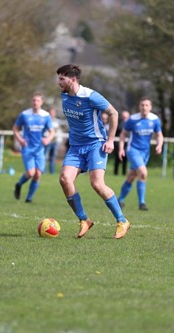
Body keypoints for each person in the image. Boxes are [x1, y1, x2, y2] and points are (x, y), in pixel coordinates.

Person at [56, 64, 130, 239]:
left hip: (95, 144)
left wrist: (111, 140)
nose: (58, 82)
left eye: (62, 79)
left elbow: (113, 113)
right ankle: (84, 220)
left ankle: (122, 220)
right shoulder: (65, 96)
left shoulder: (91, 96)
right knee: (65, 179)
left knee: (97, 184)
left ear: (72, 79)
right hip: (75, 147)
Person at [117, 98, 163, 211]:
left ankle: (120, 200)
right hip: (133, 150)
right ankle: (142, 203)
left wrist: (159, 145)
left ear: (150, 107)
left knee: (132, 176)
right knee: (143, 173)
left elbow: (159, 135)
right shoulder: (132, 119)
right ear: (139, 107)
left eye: (147, 105)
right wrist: (121, 149)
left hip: (145, 152)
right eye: (142, 105)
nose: (144, 107)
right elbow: (123, 135)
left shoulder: (155, 119)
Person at [13, 92, 54, 203]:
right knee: (31, 173)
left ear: (42, 102)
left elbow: (52, 132)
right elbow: (15, 128)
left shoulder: (46, 116)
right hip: (27, 148)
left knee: (37, 175)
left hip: (39, 149)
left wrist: (47, 139)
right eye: (33, 100)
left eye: (38, 100)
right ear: (31, 101)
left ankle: (29, 198)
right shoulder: (24, 114)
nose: (35, 102)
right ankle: (19, 184)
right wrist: (20, 139)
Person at [44, 107, 63, 174]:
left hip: (55, 142)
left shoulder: (57, 121)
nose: (52, 114)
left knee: (53, 157)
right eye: (51, 112)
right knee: (45, 157)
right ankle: (44, 171)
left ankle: (52, 171)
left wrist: (59, 140)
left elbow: (59, 132)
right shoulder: (45, 120)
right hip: (48, 142)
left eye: (53, 112)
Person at [114, 110, 130, 176]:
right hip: (118, 143)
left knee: (125, 158)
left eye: (126, 117)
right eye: (124, 116)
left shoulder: (130, 123)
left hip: (127, 143)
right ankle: (116, 172)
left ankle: (124, 172)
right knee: (117, 158)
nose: (125, 118)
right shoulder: (118, 123)